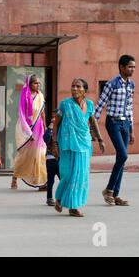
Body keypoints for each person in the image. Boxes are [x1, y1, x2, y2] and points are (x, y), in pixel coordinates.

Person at [53, 79, 105, 217]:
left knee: (80, 176)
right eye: (73, 86)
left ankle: (73, 207)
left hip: (84, 144)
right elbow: (56, 124)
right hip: (68, 144)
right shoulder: (65, 104)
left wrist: (100, 139)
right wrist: (54, 143)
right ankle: (59, 198)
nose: (74, 88)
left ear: (85, 91)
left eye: (78, 86)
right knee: (68, 175)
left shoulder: (89, 104)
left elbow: (92, 121)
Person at [95, 54, 136, 206]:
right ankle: (109, 189)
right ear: (122, 67)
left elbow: (130, 108)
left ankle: (115, 194)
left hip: (125, 124)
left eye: (134, 67)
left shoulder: (131, 85)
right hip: (113, 122)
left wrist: (131, 130)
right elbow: (100, 104)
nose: (132, 69)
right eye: (130, 67)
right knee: (123, 155)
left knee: (122, 159)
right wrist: (92, 127)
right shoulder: (112, 84)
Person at [12, 74, 48, 190]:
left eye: (39, 83)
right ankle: (15, 176)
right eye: (35, 83)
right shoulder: (25, 96)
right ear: (29, 84)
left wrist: (45, 127)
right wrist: (28, 132)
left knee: (40, 155)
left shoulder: (40, 96)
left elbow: (42, 113)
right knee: (25, 155)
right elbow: (22, 115)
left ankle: (41, 182)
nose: (38, 85)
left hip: (39, 129)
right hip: (26, 128)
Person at [43, 113, 60, 206]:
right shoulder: (49, 131)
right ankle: (49, 198)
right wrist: (50, 128)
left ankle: (62, 198)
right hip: (50, 160)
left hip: (60, 159)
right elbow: (45, 139)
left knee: (63, 179)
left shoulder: (61, 130)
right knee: (50, 180)